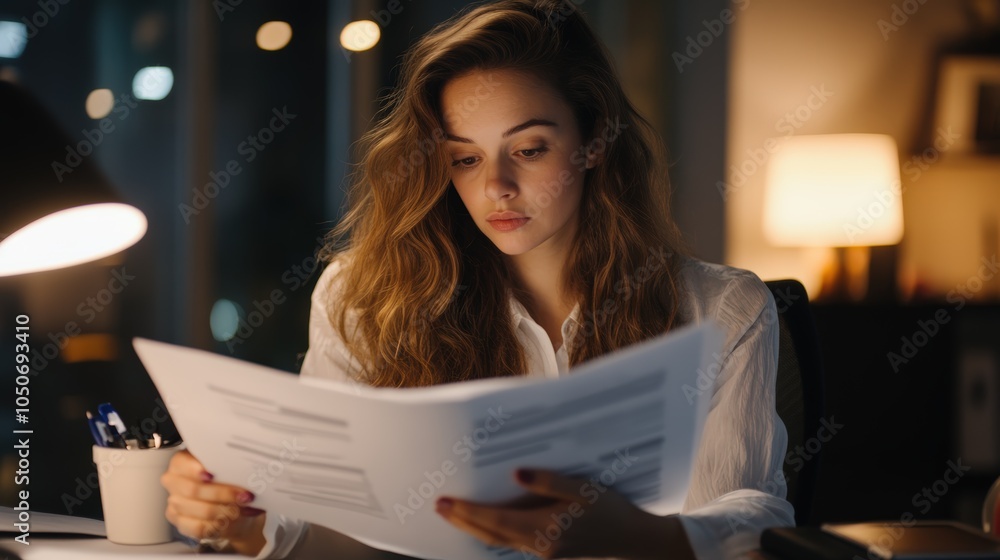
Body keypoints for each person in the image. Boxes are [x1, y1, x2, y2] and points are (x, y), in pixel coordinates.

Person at [159, 0, 795, 558]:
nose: (496, 187)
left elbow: (753, 515)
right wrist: (247, 525)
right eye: (465, 158)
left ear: (595, 139)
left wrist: (637, 537)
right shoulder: (364, 299)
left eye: (529, 149)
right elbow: (341, 532)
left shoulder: (722, 309)